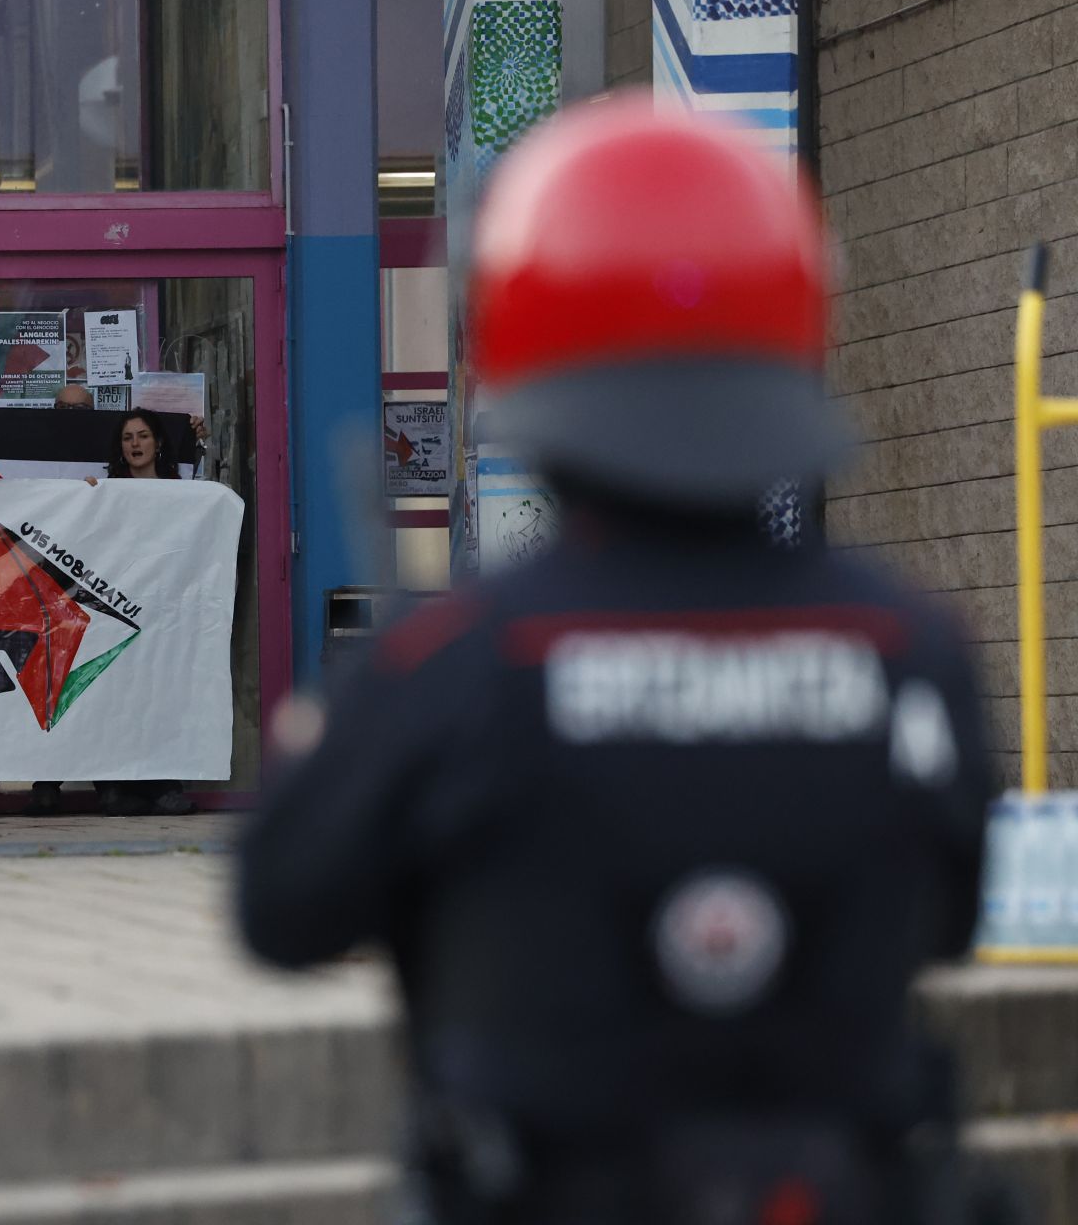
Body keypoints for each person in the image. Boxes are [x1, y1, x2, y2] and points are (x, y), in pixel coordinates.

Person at [237, 99, 996, 1224]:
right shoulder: (913, 648)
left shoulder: (451, 661)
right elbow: (952, 915)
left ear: (514, 343)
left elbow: (282, 914)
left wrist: (331, 751)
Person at [77, 410, 194, 817]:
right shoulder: (106, 491)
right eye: (128, 438)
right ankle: (112, 786)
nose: (136, 444)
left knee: (162, 698)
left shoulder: (183, 493)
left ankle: (164, 785)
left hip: (164, 613)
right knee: (115, 699)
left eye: (143, 436)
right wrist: (89, 498)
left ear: (158, 443)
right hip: (115, 611)